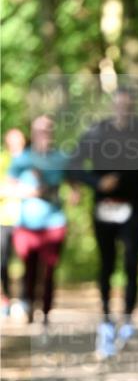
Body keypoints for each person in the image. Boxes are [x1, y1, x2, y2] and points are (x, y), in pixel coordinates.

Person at [71, 86, 138, 359]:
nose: (123, 110)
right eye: (119, 105)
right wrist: (97, 183)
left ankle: (128, 320)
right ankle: (106, 319)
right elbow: (73, 166)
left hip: (132, 207)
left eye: (128, 106)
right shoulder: (96, 132)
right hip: (104, 208)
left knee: (132, 262)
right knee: (107, 263)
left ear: (132, 107)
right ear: (112, 106)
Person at [8, 116, 70, 331]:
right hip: (27, 224)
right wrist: (29, 191)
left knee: (50, 269)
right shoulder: (22, 159)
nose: (44, 134)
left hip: (54, 222)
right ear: (32, 133)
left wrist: (73, 192)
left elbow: (74, 184)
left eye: (48, 130)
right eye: (39, 130)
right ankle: (28, 307)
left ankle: (45, 313)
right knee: (30, 269)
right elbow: (7, 187)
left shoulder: (61, 158)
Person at [0, 128, 26, 315]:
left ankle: (26, 298)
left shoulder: (30, 160)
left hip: (26, 220)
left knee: (28, 261)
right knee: (3, 262)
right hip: (4, 219)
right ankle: (5, 298)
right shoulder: (3, 160)